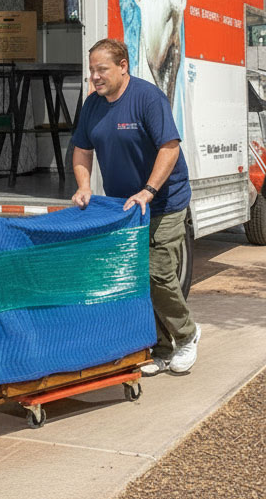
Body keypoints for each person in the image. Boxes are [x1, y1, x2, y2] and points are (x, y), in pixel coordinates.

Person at [71, 38, 200, 376]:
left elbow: (169, 148)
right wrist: (84, 185)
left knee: (156, 272)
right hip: (124, 208)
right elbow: (82, 149)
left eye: (102, 70)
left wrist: (148, 190)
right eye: (91, 71)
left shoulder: (147, 98)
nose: (95, 77)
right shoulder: (92, 106)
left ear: (123, 66)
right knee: (135, 277)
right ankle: (158, 348)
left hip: (164, 202)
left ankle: (187, 335)